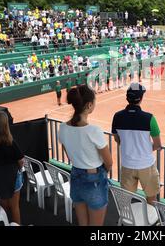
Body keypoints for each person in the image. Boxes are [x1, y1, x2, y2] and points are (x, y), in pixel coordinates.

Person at [59, 85, 113, 226]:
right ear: (89, 105)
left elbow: (68, 154)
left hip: (76, 176)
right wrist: (102, 172)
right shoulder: (94, 131)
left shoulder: (62, 128)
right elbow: (109, 162)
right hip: (94, 179)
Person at [111, 83, 161, 204]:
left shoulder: (117, 117)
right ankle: (149, 221)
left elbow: (117, 140)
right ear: (141, 98)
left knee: (126, 200)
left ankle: (127, 221)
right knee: (151, 199)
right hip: (146, 165)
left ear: (127, 98)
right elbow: (158, 145)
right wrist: (145, 149)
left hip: (127, 164)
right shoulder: (149, 118)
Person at [0, 112, 24, 225]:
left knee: (3, 205)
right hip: (12, 175)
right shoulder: (10, 143)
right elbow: (20, 161)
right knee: (15, 207)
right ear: (5, 127)